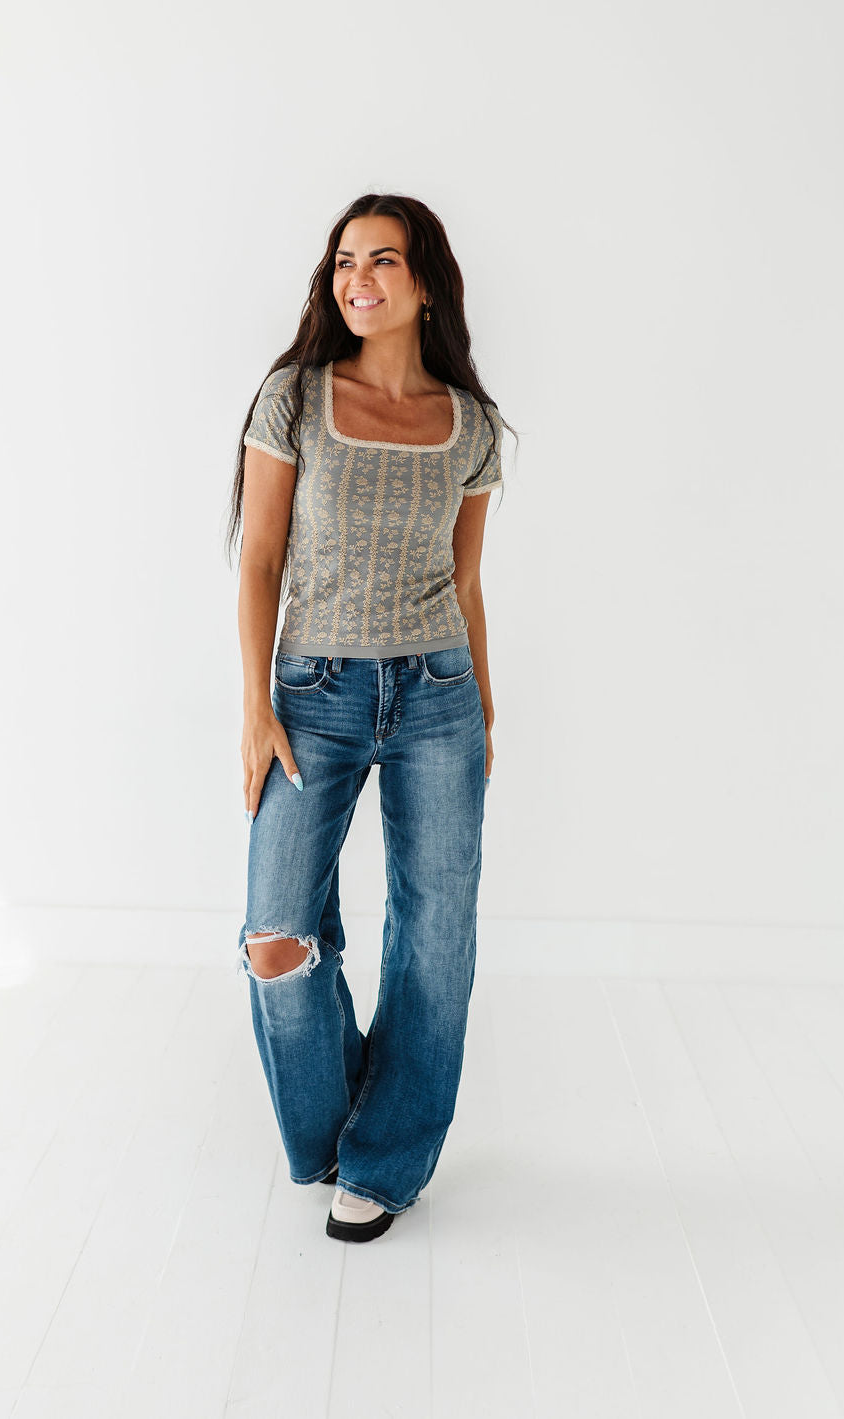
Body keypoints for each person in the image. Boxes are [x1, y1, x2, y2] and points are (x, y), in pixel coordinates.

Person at [225, 192, 512, 1243]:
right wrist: (255, 708)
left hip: (438, 693)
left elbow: (466, 580)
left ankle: (385, 1162)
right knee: (276, 936)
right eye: (346, 260)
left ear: (425, 281)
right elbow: (259, 560)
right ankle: (339, 1131)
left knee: (435, 938)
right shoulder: (295, 399)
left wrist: (485, 703)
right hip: (314, 692)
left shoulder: (470, 424)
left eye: (383, 260)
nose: (359, 279)